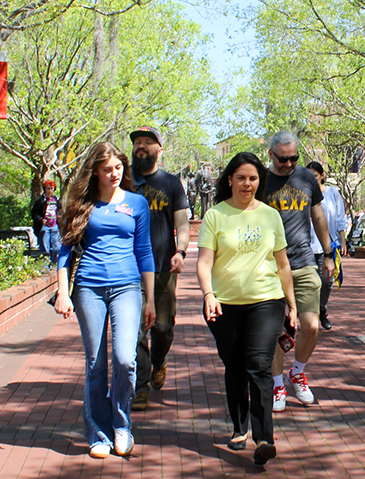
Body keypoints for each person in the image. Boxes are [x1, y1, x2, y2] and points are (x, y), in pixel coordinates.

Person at [53, 142, 155, 459]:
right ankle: (98, 431)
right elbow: (65, 251)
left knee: (125, 358)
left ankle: (121, 425)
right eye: (107, 169)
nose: (114, 174)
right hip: (89, 288)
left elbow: (145, 252)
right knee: (96, 365)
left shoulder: (137, 203)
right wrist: (62, 291)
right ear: (95, 171)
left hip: (127, 287)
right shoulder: (82, 205)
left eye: (118, 168)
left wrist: (150, 298)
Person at [197, 152, 297, 466]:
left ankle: (264, 437)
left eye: (253, 178)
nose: (247, 184)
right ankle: (240, 427)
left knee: (257, 364)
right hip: (224, 304)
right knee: (235, 366)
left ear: (259, 181)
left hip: (266, 300)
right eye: (241, 177)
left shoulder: (270, 215)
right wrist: (208, 294)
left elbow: (283, 265)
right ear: (230, 179)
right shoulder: (216, 215)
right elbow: (203, 262)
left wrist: (292, 304)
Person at [264, 131, 336, 412]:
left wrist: (329, 254)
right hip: (268, 266)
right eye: (283, 159)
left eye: (294, 158)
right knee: (271, 330)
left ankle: (298, 371)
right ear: (272, 155)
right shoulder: (261, 180)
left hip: (304, 260)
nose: (289, 163)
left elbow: (318, 216)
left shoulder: (307, 178)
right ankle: (277, 383)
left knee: (312, 324)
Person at [129, 126, 190, 411]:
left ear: (159, 150)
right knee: (137, 329)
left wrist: (181, 251)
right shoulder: (124, 180)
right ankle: (140, 386)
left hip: (164, 267)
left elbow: (181, 224)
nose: (141, 146)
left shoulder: (171, 183)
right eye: (137, 143)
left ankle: (159, 361)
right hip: (130, 268)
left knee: (163, 328)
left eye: (147, 143)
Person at [306, 161, 348, 331]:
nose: (311, 179)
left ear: (322, 176)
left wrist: (342, 240)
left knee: (327, 281)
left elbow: (340, 217)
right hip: (308, 246)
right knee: (310, 283)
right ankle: (311, 315)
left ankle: (322, 309)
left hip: (328, 246)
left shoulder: (332, 193)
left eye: (314, 176)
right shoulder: (303, 194)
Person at [31, 180, 61, 266]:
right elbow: (34, 213)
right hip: (44, 227)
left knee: (56, 247)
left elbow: (61, 212)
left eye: (51, 188)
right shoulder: (40, 201)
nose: (50, 191)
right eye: (48, 188)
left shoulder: (56, 200)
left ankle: (53, 263)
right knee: (45, 247)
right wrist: (41, 220)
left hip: (55, 226)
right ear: (44, 189)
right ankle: (45, 266)